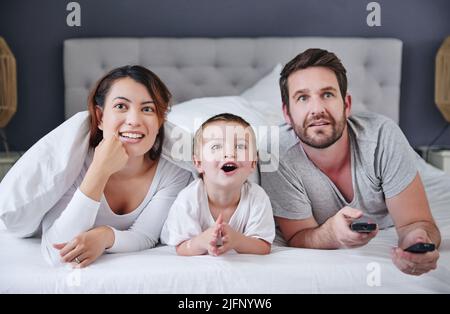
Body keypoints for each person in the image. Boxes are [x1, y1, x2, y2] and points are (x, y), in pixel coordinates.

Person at [261, 48, 440, 276]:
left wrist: (417, 241)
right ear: (287, 114)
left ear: (346, 105)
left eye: (327, 94)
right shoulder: (275, 153)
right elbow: (298, 236)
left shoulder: (382, 136)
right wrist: (331, 234)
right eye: (303, 98)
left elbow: (416, 222)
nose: (317, 109)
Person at [41, 65, 192, 267]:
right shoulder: (74, 161)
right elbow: (56, 253)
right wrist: (99, 170)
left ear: (159, 121)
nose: (134, 121)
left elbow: (145, 235)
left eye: (147, 109)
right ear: (101, 117)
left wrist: (105, 237)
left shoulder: (174, 171)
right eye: (121, 106)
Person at [161, 113, 275, 256]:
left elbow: (263, 246)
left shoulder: (257, 198)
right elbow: (182, 248)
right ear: (199, 163)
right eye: (216, 147)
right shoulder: (189, 198)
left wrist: (237, 240)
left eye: (240, 146)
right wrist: (202, 241)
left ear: (253, 163)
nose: (229, 153)